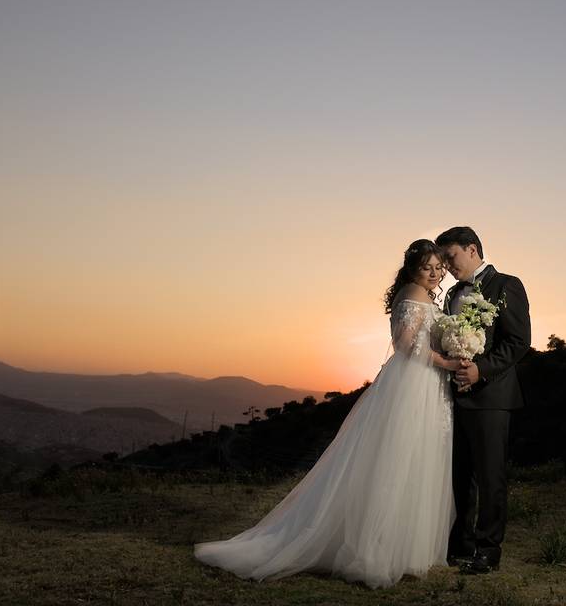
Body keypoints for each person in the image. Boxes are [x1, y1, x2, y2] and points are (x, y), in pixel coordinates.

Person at [193, 239, 462, 589]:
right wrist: (445, 361)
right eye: (428, 267)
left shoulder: (422, 294)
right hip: (414, 384)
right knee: (400, 459)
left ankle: (408, 547)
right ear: (413, 269)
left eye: (438, 267)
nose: (435, 273)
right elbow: (407, 344)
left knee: (415, 460)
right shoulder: (414, 293)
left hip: (425, 384)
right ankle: (380, 548)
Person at [435, 226, 531, 575]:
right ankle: (460, 545)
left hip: (491, 397)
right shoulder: (450, 295)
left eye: (451, 257)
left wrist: (481, 370)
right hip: (454, 397)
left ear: (472, 249)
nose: (446, 266)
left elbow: (518, 341)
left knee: (490, 476)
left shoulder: (507, 285)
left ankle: (488, 550)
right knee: (459, 475)